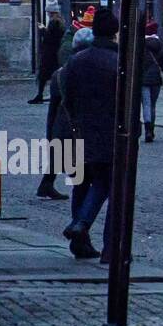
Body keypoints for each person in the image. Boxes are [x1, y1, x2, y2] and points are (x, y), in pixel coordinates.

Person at [60, 9, 122, 260]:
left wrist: (76, 120)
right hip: (111, 136)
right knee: (109, 185)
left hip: (80, 132)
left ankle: (80, 240)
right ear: (115, 32)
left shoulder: (77, 60)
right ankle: (92, 233)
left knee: (81, 184)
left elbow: (67, 96)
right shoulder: (120, 63)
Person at [37, 26, 93, 201]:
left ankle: (46, 184)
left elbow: (52, 108)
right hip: (77, 124)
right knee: (77, 170)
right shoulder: (86, 72)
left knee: (60, 155)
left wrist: (50, 132)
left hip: (61, 123)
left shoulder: (58, 74)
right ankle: (81, 217)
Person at [30, 1, 65, 104]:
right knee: (49, 75)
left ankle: (41, 95)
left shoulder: (54, 23)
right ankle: (45, 95)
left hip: (50, 54)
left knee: (43, 76)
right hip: (54, 53)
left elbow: (50, 38)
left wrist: (42, 30)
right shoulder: (60, 21)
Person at [141, 19, 163, 142]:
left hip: (143, 79)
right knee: (153, 105)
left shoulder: (140, 45)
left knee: (146, 104)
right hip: (156, 79)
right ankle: (152, 129)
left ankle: (147, 130)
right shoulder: (159, 44)